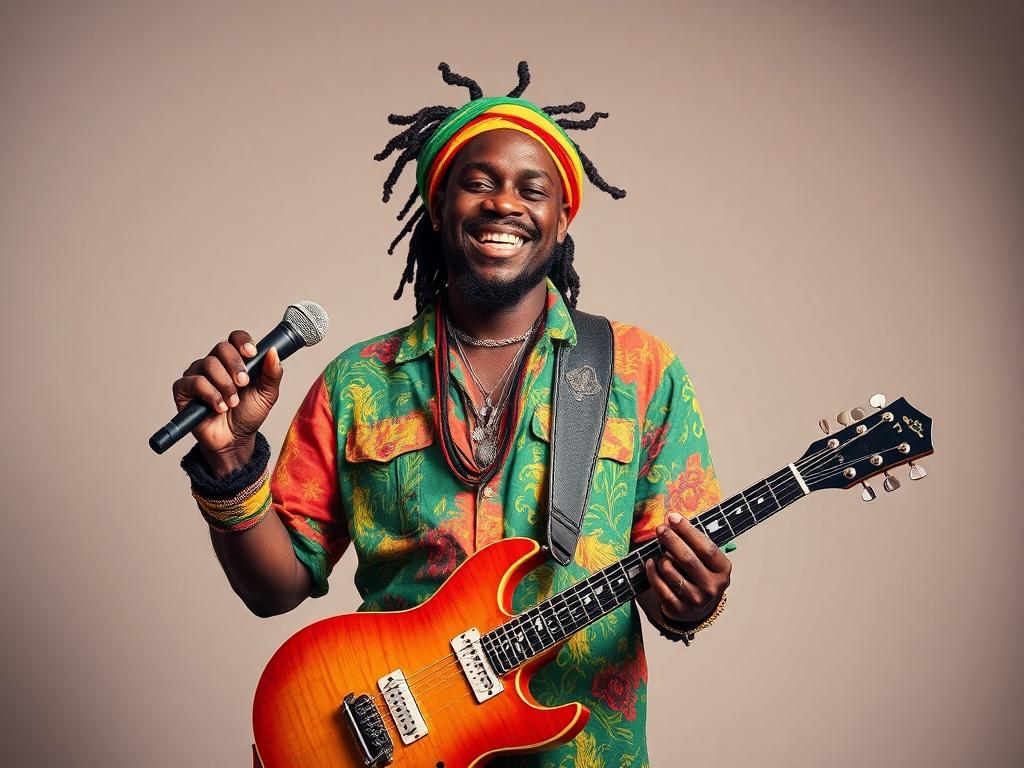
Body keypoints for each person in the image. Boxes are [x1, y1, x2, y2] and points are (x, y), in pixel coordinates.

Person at [175, 62, 732, 768]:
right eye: (479, 182)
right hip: (387, 748)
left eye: (534, 190)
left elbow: (673, 582)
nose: (506, 203)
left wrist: (693, 600)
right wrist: (228, 460)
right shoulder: (357, 382)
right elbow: (273, 587)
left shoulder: (641, 370)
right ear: (438, 210)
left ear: (562, 224)